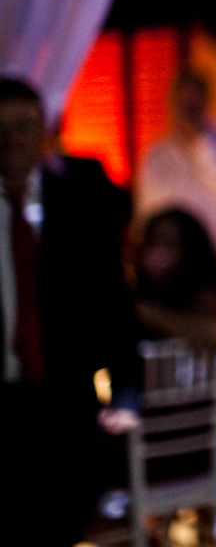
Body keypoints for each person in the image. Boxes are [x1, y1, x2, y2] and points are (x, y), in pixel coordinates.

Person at [0, 76, 140, 544]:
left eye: (24, 126)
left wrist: (125, 391)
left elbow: (111, 291)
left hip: (65, 396)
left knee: (65, 516)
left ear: (45, 131)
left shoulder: (80, 193)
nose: (12, 140)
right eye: (1, 128)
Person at [135, 67, 216, 270]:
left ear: (206, 101)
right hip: (173, 265)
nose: (188, 111)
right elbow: (148, 214)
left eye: (194, 105)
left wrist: (199, 145)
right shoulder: (156, 155)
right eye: (184, 104)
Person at [130, 207, 216, 350]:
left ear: (192, 249)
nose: (159, 253)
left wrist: (151, 315)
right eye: (153, 242)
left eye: (170, 244)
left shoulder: (209, 290)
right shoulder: (139, 289)